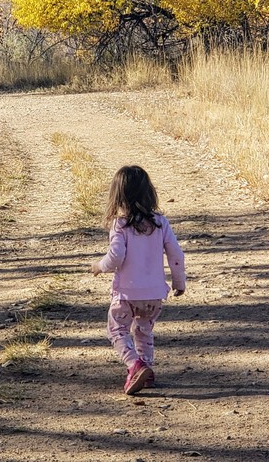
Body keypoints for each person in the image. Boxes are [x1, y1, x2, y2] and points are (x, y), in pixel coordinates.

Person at [91, 165, 186, 395]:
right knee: (144, 330)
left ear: (117, 195)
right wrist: (178, 281)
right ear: (149, 192)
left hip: (126, 294)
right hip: (154, 294)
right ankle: (148, 372)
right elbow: (175, 254)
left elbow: (116, 257)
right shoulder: (161, 223)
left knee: (117, 330)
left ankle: (135, 364)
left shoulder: (120, 225)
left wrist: (98, 266)